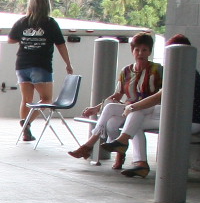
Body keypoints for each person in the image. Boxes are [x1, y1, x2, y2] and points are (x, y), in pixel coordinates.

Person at [68, 32, 162, 172]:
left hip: (148, 107)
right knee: (111, 122)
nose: (140, 53)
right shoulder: (126, 71)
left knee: (120, 111)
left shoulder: (157, 69)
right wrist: (96, 108)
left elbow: (161, 94)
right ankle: (119, 152)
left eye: (144, 50)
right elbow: (117, 94)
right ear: (132, 51)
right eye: (137, 50)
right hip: (129, 108)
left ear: (150, 51)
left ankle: (90, 145)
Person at [8, 0, 74, 141]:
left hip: (22, 65)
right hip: (41, 66)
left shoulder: (22, 22)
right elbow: (61, 45)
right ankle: (27, 123)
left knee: (26, 100)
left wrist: (26, 39)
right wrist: (68, 64)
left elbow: (10, 39)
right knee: (46, 99)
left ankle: (26, 130)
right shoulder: (50, 23)